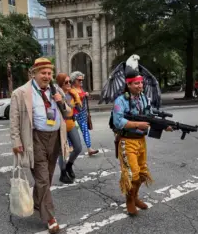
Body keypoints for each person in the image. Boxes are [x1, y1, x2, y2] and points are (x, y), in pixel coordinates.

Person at [10, 57, 71, 234]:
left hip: (55, 138)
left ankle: (38, 202)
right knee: (43, 179)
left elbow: (67, 112)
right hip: (35, 138)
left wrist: (60, 100)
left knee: (48, 176)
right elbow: (14, 121)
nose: (46, 76)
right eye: (43, 73)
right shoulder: (20, 93)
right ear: (34, 74)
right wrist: (16, 141)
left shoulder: (56, 89)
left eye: (49, 73)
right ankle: (50, 217)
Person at [112, 69, 172, 216]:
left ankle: (135, 196)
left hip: (141, 141)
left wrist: (165, 125)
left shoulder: (144, 98)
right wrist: (137, 125)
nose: (140, 86)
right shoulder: (121, 100)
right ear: (129, 84)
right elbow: (118, 121)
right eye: (136, 83)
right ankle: (129, 201)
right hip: (127, 141)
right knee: (133, 174)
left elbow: (149, 115)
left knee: (143, 173)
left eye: (141, 83)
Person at [56, 73, 82, 183]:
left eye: (69, 82)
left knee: (78, 147)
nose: (68, 84)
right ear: (60, 83)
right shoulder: (56, 94)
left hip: (71, 122)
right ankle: (62, 173)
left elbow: (80, 109)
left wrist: (77, 99)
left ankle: (69, 165)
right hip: (61, 125)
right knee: (62, 151)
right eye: (66, 82)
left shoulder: (72, 93)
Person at [70, 71, 99, 156]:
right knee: (72, 131)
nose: (81, 81)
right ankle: (70, 147)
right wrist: (83, 95)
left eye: (82, 80)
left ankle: (89, 148)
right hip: (74, 114)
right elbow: (73, 100)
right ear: (74, 80)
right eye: (79, 80)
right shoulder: (71, 90)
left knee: (85, 131)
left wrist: (86, 95)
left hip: (82, 113)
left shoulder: (81, 89)